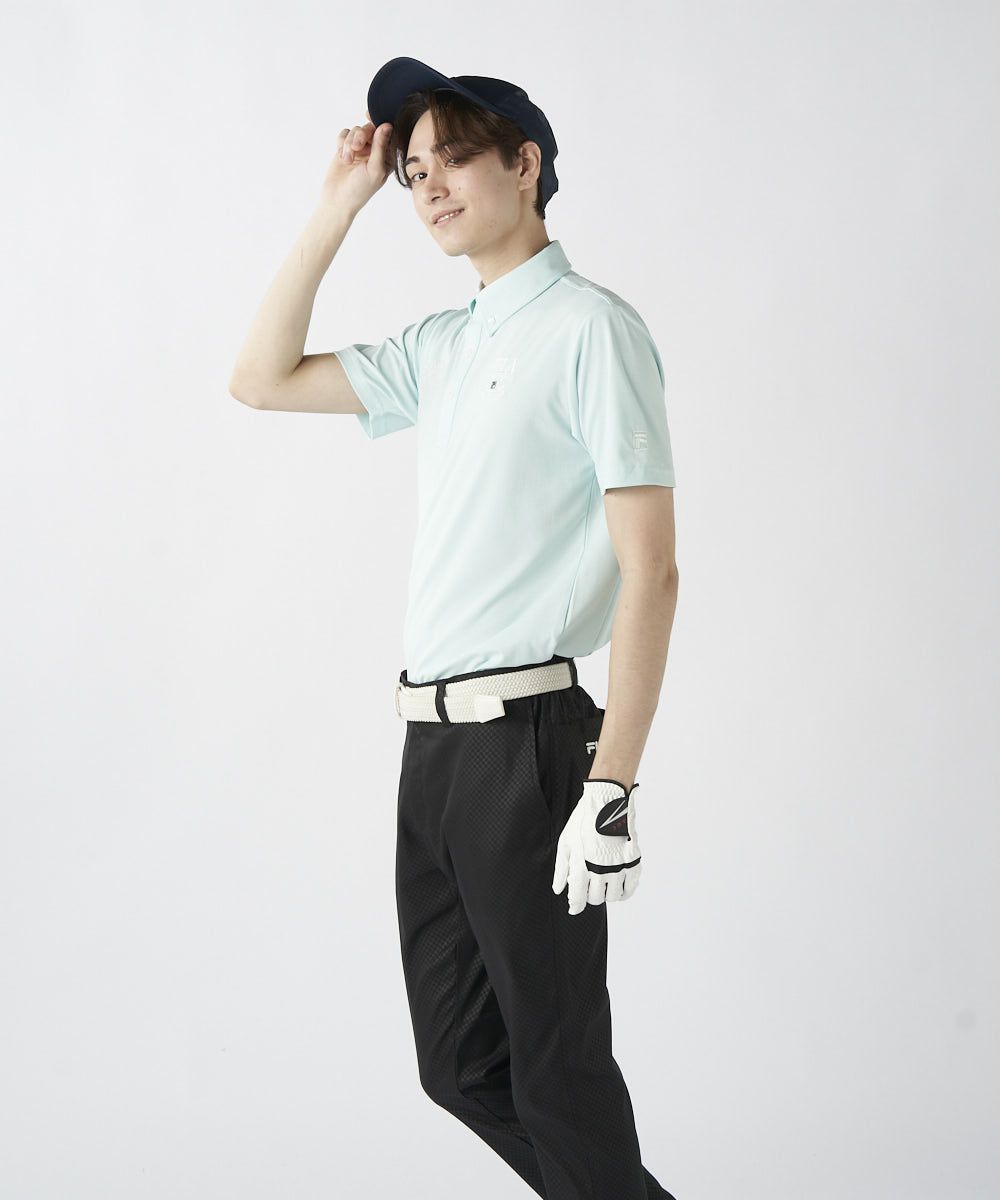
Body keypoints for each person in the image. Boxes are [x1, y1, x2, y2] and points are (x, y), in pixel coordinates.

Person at [230, 55, 680, 1200]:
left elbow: (653, 571)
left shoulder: (591, 330)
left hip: (530, 747)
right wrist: (339, 203)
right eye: (412, 171)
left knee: (558, 1075)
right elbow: (259, 378)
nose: (426, 184)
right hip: (432, 750)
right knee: (461, 1067)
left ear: (524, 165)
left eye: (452, 159)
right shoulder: (444, 344)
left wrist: (611, 786)